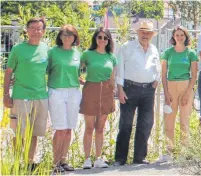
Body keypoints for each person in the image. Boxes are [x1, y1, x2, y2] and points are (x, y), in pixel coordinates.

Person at [3, 17, 49, 171]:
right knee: (19, 132)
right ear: (27, 30)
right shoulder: (17, 49)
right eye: (33, 28)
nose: (36, 31)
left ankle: (30, 162)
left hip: (41, 96)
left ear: (43, 31)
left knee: (34, 132)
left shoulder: (46, 49)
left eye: (39, 28)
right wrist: (6, 95)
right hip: (21, 95)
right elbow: (8, 73)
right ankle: (17, 163)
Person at [114, 21, 160, 166]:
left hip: (148, 90)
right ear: (138, 33)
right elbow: (120, 67)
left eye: (148, 32)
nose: (145, 35)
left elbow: (158, 67)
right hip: (129, 88)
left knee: (146, 123)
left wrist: (156, 80)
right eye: (143, 31)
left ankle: (139, 158)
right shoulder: (127, 47)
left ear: (152, 35)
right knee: (126, 124)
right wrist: (119, 89)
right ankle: (120, 159)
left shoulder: (154, 49)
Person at [158, 26, 198, 163]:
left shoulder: (191, 53)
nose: (179, 37)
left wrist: (188, 92)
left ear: (186, 37)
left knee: (184, 121)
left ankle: (184, 152)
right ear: (173, 37)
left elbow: (194, 75)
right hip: (170, 86)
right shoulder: (168, 53)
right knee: (169, 120)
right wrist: (166, 92)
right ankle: (169, 151)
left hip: (186, 86)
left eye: (182, 35)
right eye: (177, 35)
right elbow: (163, 74)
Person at [80, 27, 117, 169]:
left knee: (100, 128)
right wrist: (80, 80)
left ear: (108, 40)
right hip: (91, 91)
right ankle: (87, 159)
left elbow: (112, 78)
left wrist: (114, 93)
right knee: (89, 127)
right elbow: (75, 69)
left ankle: (98, 158)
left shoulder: (111, 57)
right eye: (99, 37)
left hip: (107, 92)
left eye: (105, 38)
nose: (102, 40)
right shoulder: (87, 54)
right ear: (95, 38)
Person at [47, 24, 82, 173]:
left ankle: (63, 160)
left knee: (69, 129)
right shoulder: (52, 52)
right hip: (57, 91)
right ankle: (55, 162)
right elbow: (42, 70)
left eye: (70, 35)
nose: (67, 37)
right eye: (64, 34)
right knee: (60, 129)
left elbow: (76, 74)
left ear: (75, 37)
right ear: (60, 37)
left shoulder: (77, 53)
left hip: (74, 92)